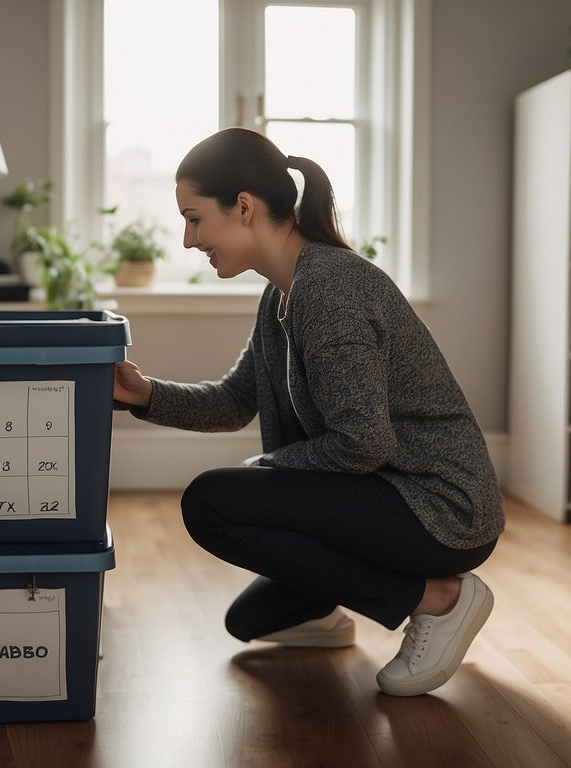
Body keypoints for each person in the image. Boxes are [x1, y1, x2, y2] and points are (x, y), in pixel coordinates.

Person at [112, 128, 504, 697]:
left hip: (439, 506)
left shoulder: (330, 291)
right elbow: (233, 401)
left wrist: (267, 468)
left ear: (243, 207)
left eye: (194, 218)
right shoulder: (281, 294)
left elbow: (363, 443)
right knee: (248, 622)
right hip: (375, 490)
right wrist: (143, 394)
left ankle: (440, 600)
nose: (188, 239)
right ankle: (332, 602)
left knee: (210, 503)